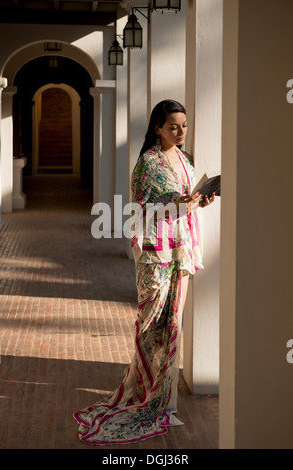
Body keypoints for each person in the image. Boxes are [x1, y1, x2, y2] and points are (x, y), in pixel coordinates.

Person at [73, 99, 215, 445]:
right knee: (151, 324)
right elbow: (140, 208)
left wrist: (201, 200)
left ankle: (165, 401)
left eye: (184, 125)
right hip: (156, 255)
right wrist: (176, 202)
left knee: (173, 325)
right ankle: (147, 398)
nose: (180, 132)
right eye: (173, 127)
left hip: (181, 251)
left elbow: (186, 199)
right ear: (157, 128)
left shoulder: (186, 159)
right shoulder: (148, 164)